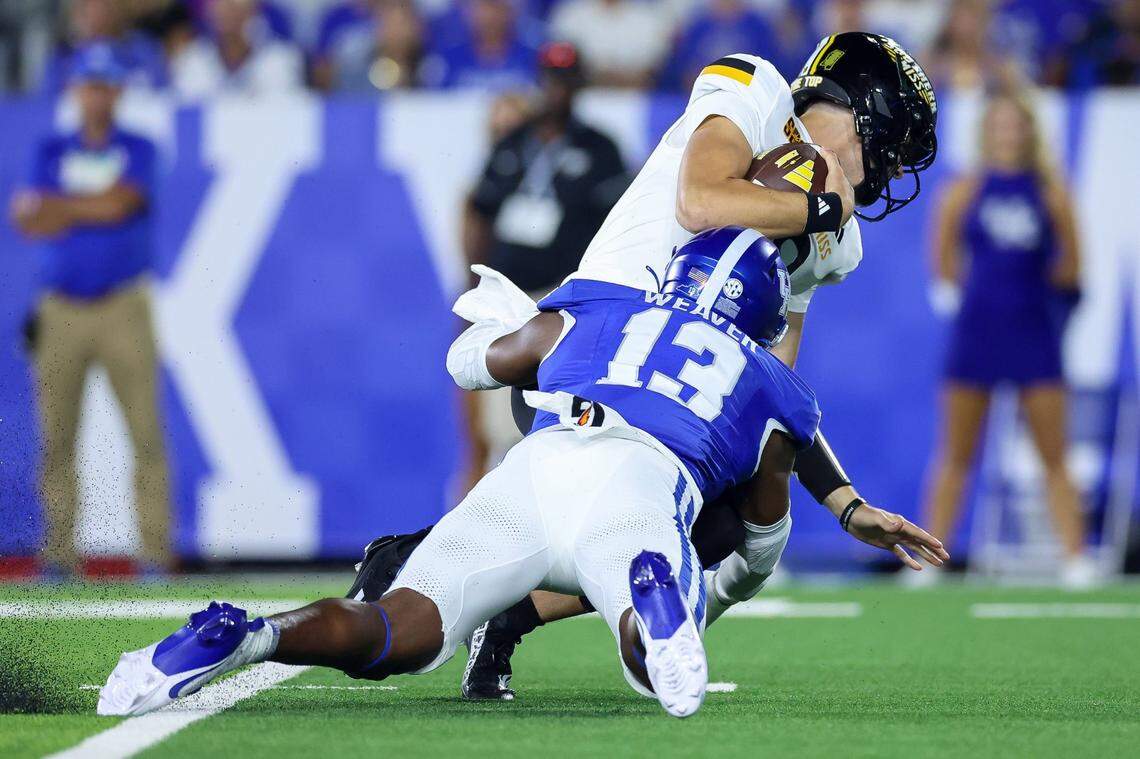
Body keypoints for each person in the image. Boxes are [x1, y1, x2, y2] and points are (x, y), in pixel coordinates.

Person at [350, 31, 944, 700]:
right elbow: (702, 201)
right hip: (587, 351)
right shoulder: (755, 90)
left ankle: (504, 616)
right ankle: (424, 567)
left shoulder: (839, 244)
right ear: (862, 114)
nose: (891, 173)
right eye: (892, 148)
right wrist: (820, 204)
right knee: (673, 519)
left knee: (728, 517)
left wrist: (846, 503)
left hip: (678, 396)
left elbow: (760, 384)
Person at [100, 229, 880, 719]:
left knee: (397, 631)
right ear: (760, 316)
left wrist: (510, 323)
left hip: (533, 471)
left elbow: (469, 362)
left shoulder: (604, 311)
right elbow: (761, 536)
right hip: (636, 489)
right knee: (657, 665)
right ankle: (652, 600)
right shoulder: (776, 385)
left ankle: (249, 633)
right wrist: (716, 588)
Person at [9, 44, 170, 578]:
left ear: (117, 91)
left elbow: (119, 204)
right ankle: (58, 551)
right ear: (75, 90)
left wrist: (63, 207)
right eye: (89, 84)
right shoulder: (51, 149)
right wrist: (93, 205)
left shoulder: (138, 147)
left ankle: (154, 551)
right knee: (56, 435)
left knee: (144, 431)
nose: (97, 95)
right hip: (61, 309)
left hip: (123, 303)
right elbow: (33, 222)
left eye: (106, 85)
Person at [921, 89, 1094, 588]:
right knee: (955, 455)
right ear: (987, 131)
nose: (1007, 133)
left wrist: (1035, 304)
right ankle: (930, 561)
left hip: (1034, 335)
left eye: (1016, 124)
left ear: (1029, 131)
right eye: (998, 124)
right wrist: (984, 299)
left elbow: (1073, 265)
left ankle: (1076, 558)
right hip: (976, 334)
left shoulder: (1051, 190)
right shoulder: (964, 190)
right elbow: (944, 261)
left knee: (1054, 455)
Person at [459, 42, 628, 492]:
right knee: (495, 425)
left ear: (579, 86)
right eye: (551, 79)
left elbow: (618, 227)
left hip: (563, 301)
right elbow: (478, 209)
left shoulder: (600, 149)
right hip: (509, 297)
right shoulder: (514, 141)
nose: (557, 90)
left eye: (566, 80)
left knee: (557, 414)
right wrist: (471, 280)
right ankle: (487, 528)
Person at [170, 0, 303, 100]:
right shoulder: (193, 58)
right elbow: (186, 104)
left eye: (234, 8)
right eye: (221, 8)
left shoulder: (279, 58)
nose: (227, 16)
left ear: (251, 13)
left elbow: (284, 108)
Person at [39, 0, 167, 94]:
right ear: (79, 13)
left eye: (106, 5)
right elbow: (47, 101)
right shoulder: (65, 54)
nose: (99, 12)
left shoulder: (142, 48)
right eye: (91, 6)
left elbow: (162, 89)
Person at [549, 0, 674, 88]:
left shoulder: (649, 18)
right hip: (583, 98)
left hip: (637, 101)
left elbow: (652, 69)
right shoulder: (571, 16)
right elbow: (563, 68)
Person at [429, 0, 539, 91]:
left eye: (495, 8)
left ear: (510, 13)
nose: (489, 16)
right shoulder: (449, 59)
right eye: (483, 8)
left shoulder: (532, 57)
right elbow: (439, 101)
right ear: (469, 14)